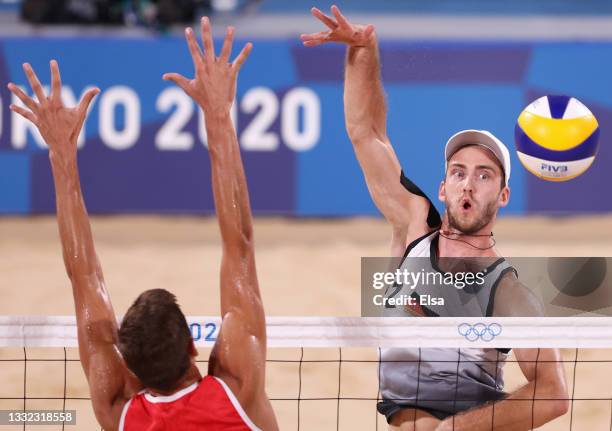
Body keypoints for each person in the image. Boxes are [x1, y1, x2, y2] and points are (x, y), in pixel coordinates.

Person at [301, 5, 569, 431]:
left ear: (502, 196)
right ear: (443, 187)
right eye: (458, 173)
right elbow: (366, 133)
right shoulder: (413, 226)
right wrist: (363, 49)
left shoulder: (508, 291)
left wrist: (454, 429)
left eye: (483, 176)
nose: (467, 184)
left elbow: (554, 393)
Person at [8, 17, 278, 431]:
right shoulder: (238, 389)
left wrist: (61, 156)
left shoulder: (119, 412)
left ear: (129, 371)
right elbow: (238, 243)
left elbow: (85, 280)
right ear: (193, 345)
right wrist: (219, 116)